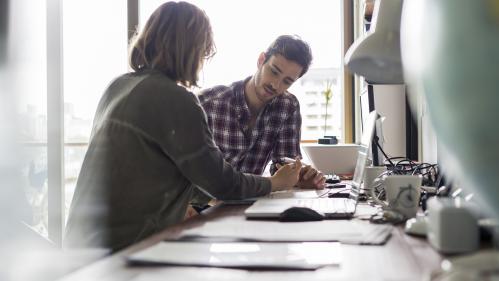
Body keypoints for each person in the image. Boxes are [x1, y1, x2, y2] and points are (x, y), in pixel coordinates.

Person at [64, 1, 302, 252]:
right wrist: (276, 183)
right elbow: (223, 183)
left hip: (79, 250)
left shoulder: (118, 86)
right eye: (203, 52)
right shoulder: (174, 99)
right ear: (192, 50)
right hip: (125, 251)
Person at [198, 35, 326, 189]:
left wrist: (300, 176)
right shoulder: (208, 103)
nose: (275, 84)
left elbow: (283, 165)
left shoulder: (288, 106)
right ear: (261, 60)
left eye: (287, 81)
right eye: (273, 71)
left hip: (252, 201)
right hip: (206, 203)